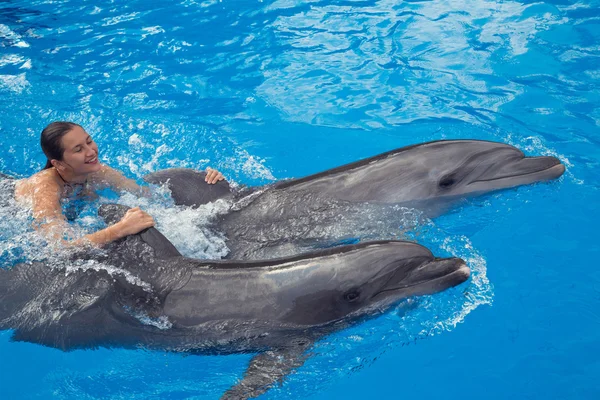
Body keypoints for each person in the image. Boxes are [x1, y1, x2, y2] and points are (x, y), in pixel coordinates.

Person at [14, 121, 224, 247]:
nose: (91, 152)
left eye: (89, 141)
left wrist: (203, 183)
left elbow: (150, 196)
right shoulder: (45, 187)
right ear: (58, 163)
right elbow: (58, 247)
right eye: (78, 150)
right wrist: (121, 229)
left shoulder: (99, 172)